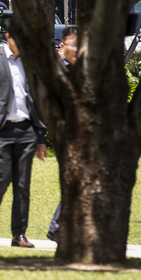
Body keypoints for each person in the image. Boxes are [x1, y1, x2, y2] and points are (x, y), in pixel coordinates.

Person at [0, 16, 48, 248]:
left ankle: (19, 235)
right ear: (8, 37)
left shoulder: (30, 62)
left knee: (22, 184)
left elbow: (36, 99)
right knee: (3, 176)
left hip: (25, 130)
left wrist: (40, 136)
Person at [48, 27, 78, 243]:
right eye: (72, 44)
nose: (76, 49)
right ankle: (57, 226)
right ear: (62, 46)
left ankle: (63, 227)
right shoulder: (56, 72)